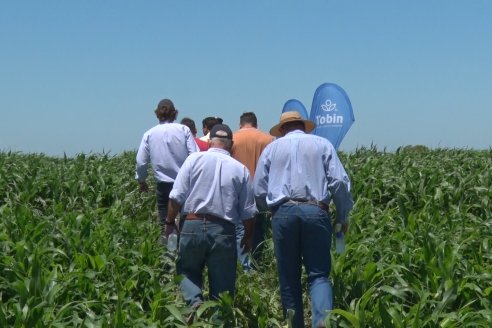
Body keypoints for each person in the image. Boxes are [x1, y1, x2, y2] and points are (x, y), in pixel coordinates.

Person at [253, 111, 353, 328]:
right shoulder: (322, 144)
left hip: (283, 212)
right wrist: (342, 215)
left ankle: (294, 324)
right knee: (318, 275)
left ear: (281, 129)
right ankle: (322, 321)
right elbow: (339, 183)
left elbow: (259, 189)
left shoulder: (272, 148)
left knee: (288, 278)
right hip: (316, 210)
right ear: (304, 126)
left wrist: (269, 210)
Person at [164, 124, 256, 311]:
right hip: (223, 230)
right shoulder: (240, 169)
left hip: (192, 224)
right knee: (222, 288)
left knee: (188, 272)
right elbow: (248, 211)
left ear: (210, 142)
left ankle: (194, 305)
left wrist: (169, 223)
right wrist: (248, 236)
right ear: (231, 144)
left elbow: (176, 197)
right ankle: (218, 318)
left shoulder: (193, 160)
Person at [135, 99, 199, 240]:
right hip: (184, 184)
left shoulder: (149, 134)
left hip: (163, 185)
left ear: (157, 114)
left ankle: (166, 254)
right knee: (185, 219)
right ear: (175, 113)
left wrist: (141, 180)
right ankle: (183, 250)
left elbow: (141, 162)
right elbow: (195, 156)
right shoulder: (184, 130)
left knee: (164, 221)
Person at [231, 111, 274, 270]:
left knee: (240, 230)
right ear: (256, 124)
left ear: (240, 124)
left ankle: (244, 268)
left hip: (238, 191)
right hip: (261, 191)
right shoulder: (268, 139)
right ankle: (258, 262)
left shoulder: (233, 139)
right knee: (259, 230)